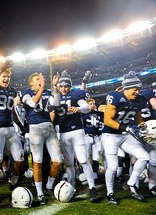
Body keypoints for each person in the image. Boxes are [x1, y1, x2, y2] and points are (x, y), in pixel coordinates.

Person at [102, 71, 150, 204]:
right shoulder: (115, 97)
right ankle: (110, 192)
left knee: (145, 157)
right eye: (135, 89)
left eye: (139, 89)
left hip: (124, 134)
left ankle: (131, 183)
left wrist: (142, 125)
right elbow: (107, 120)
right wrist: (125, 128)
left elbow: (137, 116)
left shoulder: (140, 100)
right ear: (127, 88)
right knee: (112, 166)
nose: (137, 92)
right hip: (110, 134)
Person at [54, 70, 99, 203]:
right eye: (61, 86)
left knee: (83, 159)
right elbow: (53, 105)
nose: (64, 88)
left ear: (70, 86)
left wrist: (78, 109)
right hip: (62, 132)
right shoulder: (56, 95)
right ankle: (72, 185)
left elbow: (86, 107)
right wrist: (54, 87)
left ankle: (92, 188)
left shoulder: (76, 94)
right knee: (68, 163)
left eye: (66, 86)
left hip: (77, 130)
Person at [0, 61, 25, 204]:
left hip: (10, 128)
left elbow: (12, 110)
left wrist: (20, 123)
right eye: (3, 76)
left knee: (20, 158)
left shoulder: (12, 91)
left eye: (8, 76)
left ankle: (13, 183)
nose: (6, 79)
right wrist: (0, 69)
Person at [20, 72, 62, 204]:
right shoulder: (25, 92)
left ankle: (48, 187)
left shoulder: (47, 92)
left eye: (41, 79)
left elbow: (55, 102)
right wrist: (43, 87)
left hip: (49, 127)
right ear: (31, 83)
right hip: (35, 128)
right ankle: (39, 192)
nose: (40, 81)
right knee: (37, 161)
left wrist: (55, 87)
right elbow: (33, 103)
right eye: (37, 79)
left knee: (58, 161)